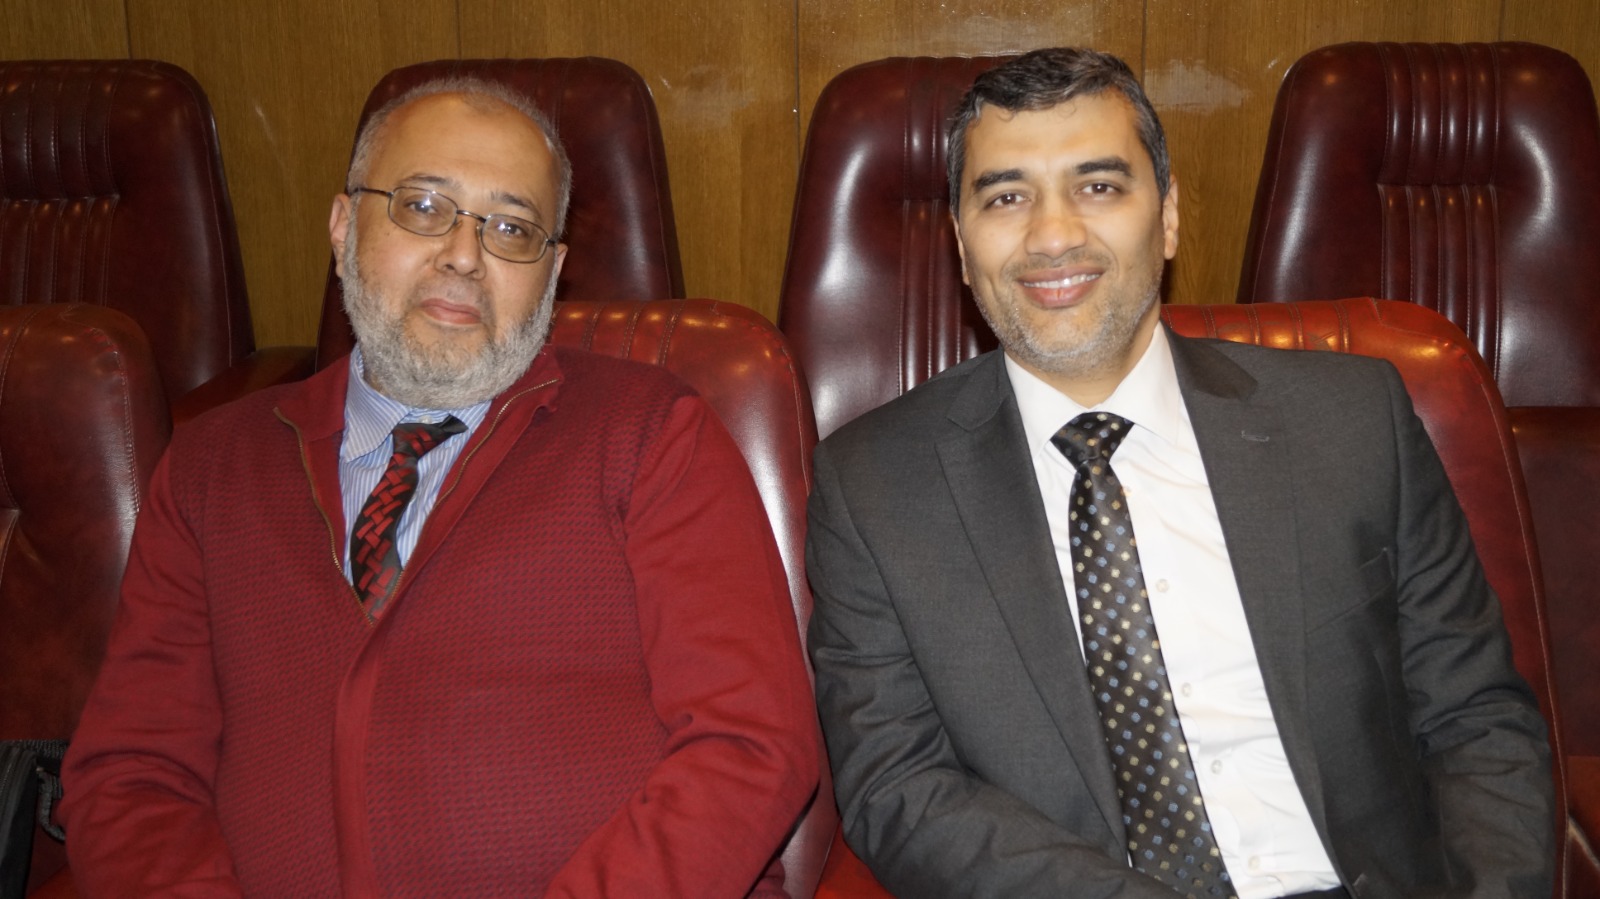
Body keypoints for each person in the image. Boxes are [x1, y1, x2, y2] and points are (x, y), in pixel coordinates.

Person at [805, 47, 1553, 899]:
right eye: (1007, 197)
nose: (1053, 235)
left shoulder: (1351, 422)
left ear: (1166, 218)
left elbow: (1476, 720)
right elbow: (899, 789)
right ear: (961, 245)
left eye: (1098, 186)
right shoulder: (874, 490)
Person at [60, 77, 820, 897]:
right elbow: (133, 775)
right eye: (423, 207)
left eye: (511, 228)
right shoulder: (211, 470)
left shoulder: (650, 434)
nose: (464, 254)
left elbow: (749, 744)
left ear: (553, 271)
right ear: (344, 227)